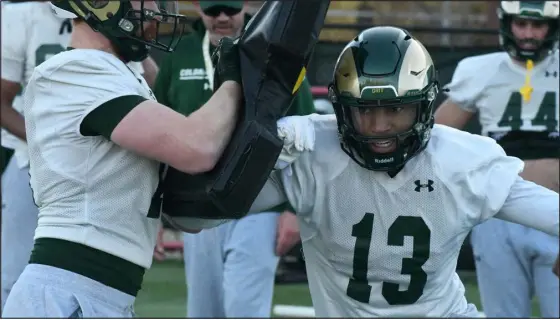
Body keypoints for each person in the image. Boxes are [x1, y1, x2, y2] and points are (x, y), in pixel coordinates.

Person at [248, 25, 560, 318]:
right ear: (343, 109)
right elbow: (203, 217)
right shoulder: (312, 156)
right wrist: (259, 149)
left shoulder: (459, 162)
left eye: (395, 109)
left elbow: (550, 211)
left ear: (423, 107)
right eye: (365, 110)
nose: (380, 126)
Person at [1, 0, 245, 317]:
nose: (156, 11)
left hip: (94, 292)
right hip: (70, 294)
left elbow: (187, 212)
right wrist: (232, 82)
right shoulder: (78, 71)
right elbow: (197, 147)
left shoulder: (119, 74)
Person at [153, 1, 314, 317]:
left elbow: (307, 128)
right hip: (196, 203)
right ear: (200, 10)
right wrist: (155, 211)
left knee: (244, 307)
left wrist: (294, 211)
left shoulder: (272, 52)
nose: (223, 18)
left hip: (258, 201)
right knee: (203, 308)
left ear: (244, 7)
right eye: (214, 10)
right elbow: (160, 128)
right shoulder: (181, 52)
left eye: (230, 9)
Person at [0, 0, 160, 310]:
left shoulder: (111, 23)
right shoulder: (20, 17)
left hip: (102, 156)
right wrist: (49, 141)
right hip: (28, 158)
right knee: (12, 272)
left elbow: (143, 88)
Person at [434, 1, 559, 317]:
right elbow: (434, 138)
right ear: (507, 23)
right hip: (498, 213)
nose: (528, 33)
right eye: (521, 24)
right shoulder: (481, 69)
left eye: (538, 25)